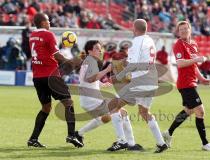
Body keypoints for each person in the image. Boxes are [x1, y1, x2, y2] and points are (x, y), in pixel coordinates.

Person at [107, 19, 167, 153]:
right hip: (152, 80)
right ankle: (161, 143)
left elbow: (133, 65)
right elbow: (134, 61)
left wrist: (118, 76)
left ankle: (122, 141)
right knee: (144, 112)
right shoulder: (150, 40)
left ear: (134, 29)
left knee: (113, 105)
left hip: (141, 81)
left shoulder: (136, 42)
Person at [76, 40, 143, 151]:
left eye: (100, 48)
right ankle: (122, 141)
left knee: (121, 113)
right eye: (97, 48)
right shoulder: (90, 61)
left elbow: (88, 80)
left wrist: (102, 83)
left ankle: (130, 143)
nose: (100, 50)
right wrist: (107, 70)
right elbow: (90, 78)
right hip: (90, 99)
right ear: (89, 51)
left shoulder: (90, 61)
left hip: (90, 98)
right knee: (116, 108)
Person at [27, 13, 83, 148]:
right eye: (48, 20)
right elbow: (56, 55)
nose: (50, 23)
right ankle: (71, 135)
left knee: (46, 107)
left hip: (37, 77)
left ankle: (33, 139)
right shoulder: (48, 35)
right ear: (42, 22)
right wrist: (70, 62)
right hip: (51, 76)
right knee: (68, 102)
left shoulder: (32, 36)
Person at [162, 21, 210, 151]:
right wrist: (197, 59)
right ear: (178, 32)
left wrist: (202, 78)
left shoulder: (193, 44)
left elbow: (194, 65)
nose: (183, 31)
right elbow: (180, 63)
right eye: (180, 29)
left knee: (189, 110)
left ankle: (168, 133)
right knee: (200, 111)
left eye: (185, 29)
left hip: (192, 82)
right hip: (185, 83)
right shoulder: (178, 45)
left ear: (190, 29)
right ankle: (205, 143)